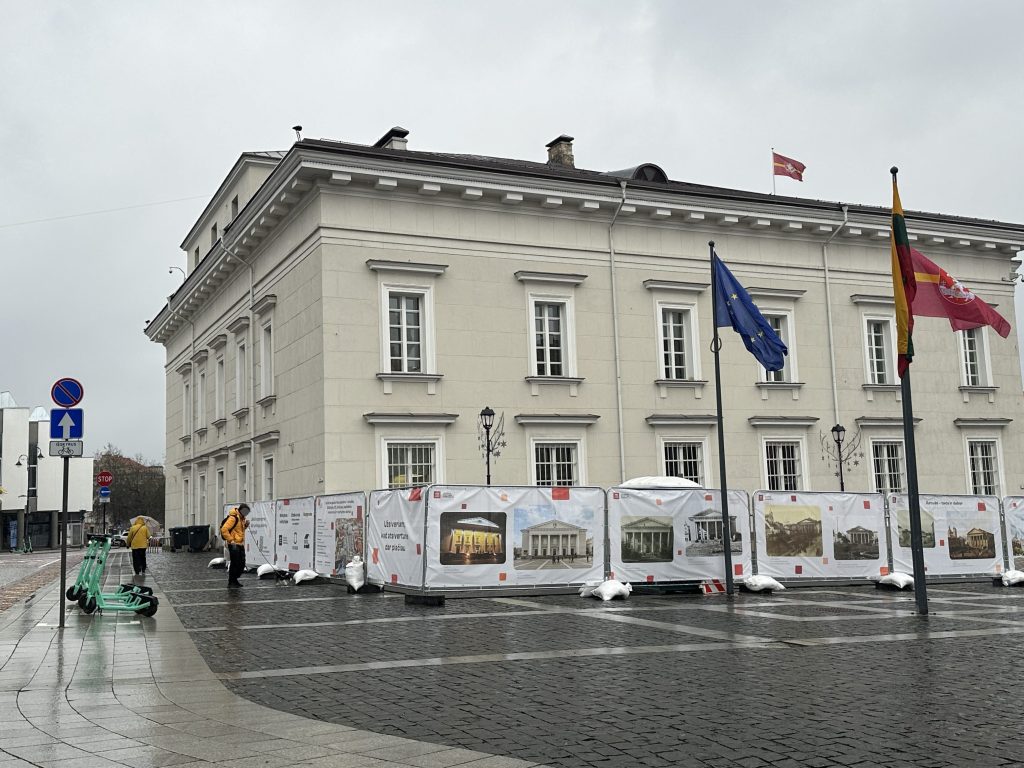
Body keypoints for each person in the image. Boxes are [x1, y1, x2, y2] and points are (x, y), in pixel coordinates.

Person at [220, 503, 250, 587]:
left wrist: (245, 526)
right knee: (235, 563)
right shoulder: (233, 518)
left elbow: (238, 530)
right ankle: (231, 582)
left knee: (241, 563)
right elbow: (224, 530)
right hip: (233, 544)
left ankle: (234, 580)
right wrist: (231, 540)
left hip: (240, 543)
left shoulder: (242, 519)